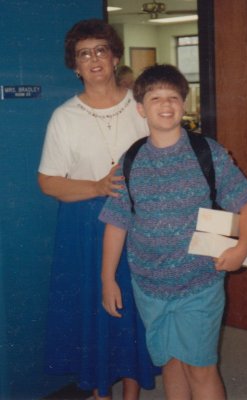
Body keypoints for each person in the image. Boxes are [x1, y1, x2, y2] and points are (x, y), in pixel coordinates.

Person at [100, 64, 247, 400]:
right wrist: (107, 279)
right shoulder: (129, 161)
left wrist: (242, 248)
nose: (165, 104)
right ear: (141, 108)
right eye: (155, 98)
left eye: (173, 97)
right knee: (171, 363)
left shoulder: (208, 153)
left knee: (200, 368)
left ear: (184, 104)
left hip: (198, 284)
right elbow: (117, 223)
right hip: (149, 286)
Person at [38, 19, 159, 400]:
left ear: (115, 56)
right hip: (85, 226)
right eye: (83, 54)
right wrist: (97, 186)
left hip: (139, 223)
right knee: (96, 316)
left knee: (136, 312)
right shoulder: (64, 117)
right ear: (74, 65)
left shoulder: (141, 109)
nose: (93, 59)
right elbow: (48, 182)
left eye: (101, 50)